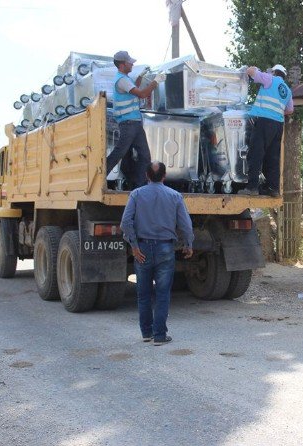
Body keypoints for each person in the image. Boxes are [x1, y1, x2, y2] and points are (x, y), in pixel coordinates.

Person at [120, 161, 194, 345]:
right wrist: (188, 243)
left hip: (142, 249)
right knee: (162, 294)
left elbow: (126, 223)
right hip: (165, 250)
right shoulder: (175, 196)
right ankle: (160, 335)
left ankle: (146, 333)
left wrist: (134, 245)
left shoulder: (136, 195)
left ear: (146, 176)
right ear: (164, 176)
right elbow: (185, 224)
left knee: (143, 294)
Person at [237, 64, 294, 196]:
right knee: (272, 157)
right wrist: (276, 112)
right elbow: (290, 110)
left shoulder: (269, 79)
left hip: (264, 122)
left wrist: (254, 69)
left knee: (256, 154)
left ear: (274, 72)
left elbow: (251, 72)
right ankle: (273, 188)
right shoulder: (286, 89)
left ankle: (252, 187)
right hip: (278, 124)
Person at [106, 50, 158, 189]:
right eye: (130, 63)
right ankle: (100, 177)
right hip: (128, 123)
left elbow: (134, 87)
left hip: (134, 122)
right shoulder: (122, 80)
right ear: (122, 65)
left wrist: (141, 76)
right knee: (120, 152)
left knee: (145, 155)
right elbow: (141, 94)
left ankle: (140, 185)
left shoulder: (125, 78)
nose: (132, 65)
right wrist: (155, 82)